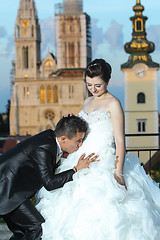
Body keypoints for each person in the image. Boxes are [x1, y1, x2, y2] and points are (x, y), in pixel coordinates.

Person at [36, 59, 160, 240]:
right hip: (81, 159)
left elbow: (119, 140)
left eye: (97, 85)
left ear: (107, 82)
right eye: (89, 85)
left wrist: (118, 173)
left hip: (104, 161)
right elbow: (81, 131)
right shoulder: (87, 101)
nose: (93, 89)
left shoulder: (113, 104)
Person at [0, 115, 98, 240]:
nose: (80, 145)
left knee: (23, 232)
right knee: (36, 227)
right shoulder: (44, 147)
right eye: (78, 141)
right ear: (63, 138)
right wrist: (76, 169)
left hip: (13, 190)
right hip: (6, 191)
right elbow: (49, 183)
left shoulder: (50, 138)